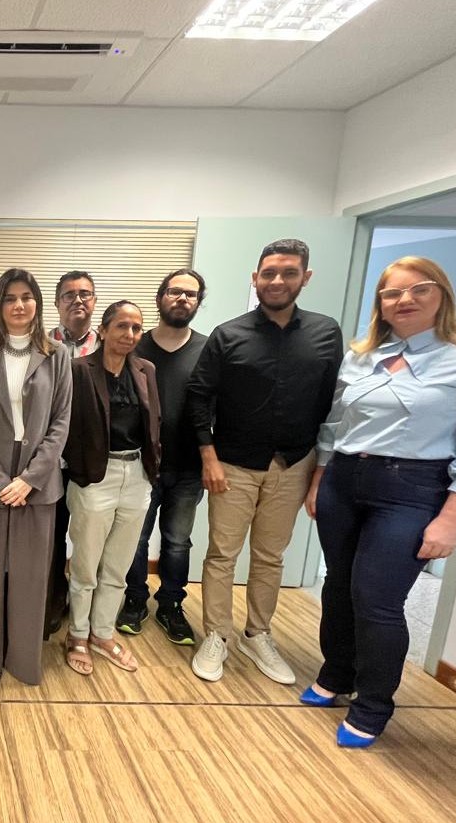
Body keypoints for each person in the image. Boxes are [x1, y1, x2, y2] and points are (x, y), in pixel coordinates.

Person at [303, 256, 456, 747]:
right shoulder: (363, 355)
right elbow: (335, 427)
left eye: (419, 289)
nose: (405, 300)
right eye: (392, 293)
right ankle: (337, 674)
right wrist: (319, 481)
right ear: (380, 303)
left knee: (377, 600)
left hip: (412, 491)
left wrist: (452, 520)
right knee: (338, 586)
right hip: (345, 480)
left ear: (442, 294)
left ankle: (373, 704)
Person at [186, 239, 343, 684]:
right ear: (255, 279)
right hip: (232, 464)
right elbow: (200, 397)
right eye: (269, 273)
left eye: (288, 273)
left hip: (294, 463)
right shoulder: (228, 334)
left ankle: (258, 634)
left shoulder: (326, 333)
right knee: (221, 554)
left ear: (305, 278)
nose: (277, 281)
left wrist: (319, 471)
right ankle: (217, 634)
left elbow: (335, 405)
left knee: (271, 556)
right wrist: (208, 456)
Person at [0, 268, 72, 685]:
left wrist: (30, 478)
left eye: (26, 297)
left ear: (37, 303)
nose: (19, 305)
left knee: (30, 577)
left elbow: (61, 422)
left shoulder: (57, 355)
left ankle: (24, 660)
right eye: (10, 298)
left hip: (37, 482)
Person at [60, 301, 161, 676]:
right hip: (94, 478)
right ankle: (78, 635)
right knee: (85, 566)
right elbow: (63, 423)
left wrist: (153, 470)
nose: (129, 335)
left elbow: (155, 423)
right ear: (103, 330)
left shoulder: (146, 370)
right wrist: (78, 466)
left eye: (136, 328)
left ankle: (103, 634)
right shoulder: (79, 370)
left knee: (118, 566)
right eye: (121, 326)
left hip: (136, 476)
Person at [117, 269, 208, 646]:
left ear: (199, 303)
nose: (182, 299)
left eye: (190, 294)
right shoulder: (135, 346)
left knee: (177, 541)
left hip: (188, 467)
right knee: (135, 539)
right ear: (160, 298)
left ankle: (171, 604)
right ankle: (135, 600)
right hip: (142, 464)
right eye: (174, 292)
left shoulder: (208, 349)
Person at [44, 271, 100, 636]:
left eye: (85, 294)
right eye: (69, 295)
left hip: (91, 461)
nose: (77, 301)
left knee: (89, 538)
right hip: (47, 462)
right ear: (56, 303)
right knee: (49, 538)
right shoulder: (39, 344)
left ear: (94, 301)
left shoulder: (110, 345)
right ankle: (50, 600)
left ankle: (89, 611)